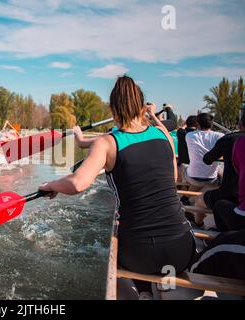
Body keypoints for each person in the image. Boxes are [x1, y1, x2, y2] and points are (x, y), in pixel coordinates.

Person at [39, 76, 194, 298]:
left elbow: (77, 183)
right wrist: (151, 114)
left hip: (140, 252)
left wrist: (51, 184)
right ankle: (161, 288)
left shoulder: (108, 142)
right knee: (165, 268)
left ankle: (139, 293)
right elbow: (174, 175)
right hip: (181, 248)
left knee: (116, 262)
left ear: (113, 108)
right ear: (142, 106)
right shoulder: (163, 135)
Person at [197, 114, 245, 211]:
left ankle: (198, 223)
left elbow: (207, 160)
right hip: (236, 195)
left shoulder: (228, 139)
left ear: (240, 124)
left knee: (201, 197)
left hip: (231, 194)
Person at [211, 132, 245, 231]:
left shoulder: (239, 142)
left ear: (240, 125)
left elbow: (237, 168)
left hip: (241, 214)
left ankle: (223, 235)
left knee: (218, 205)